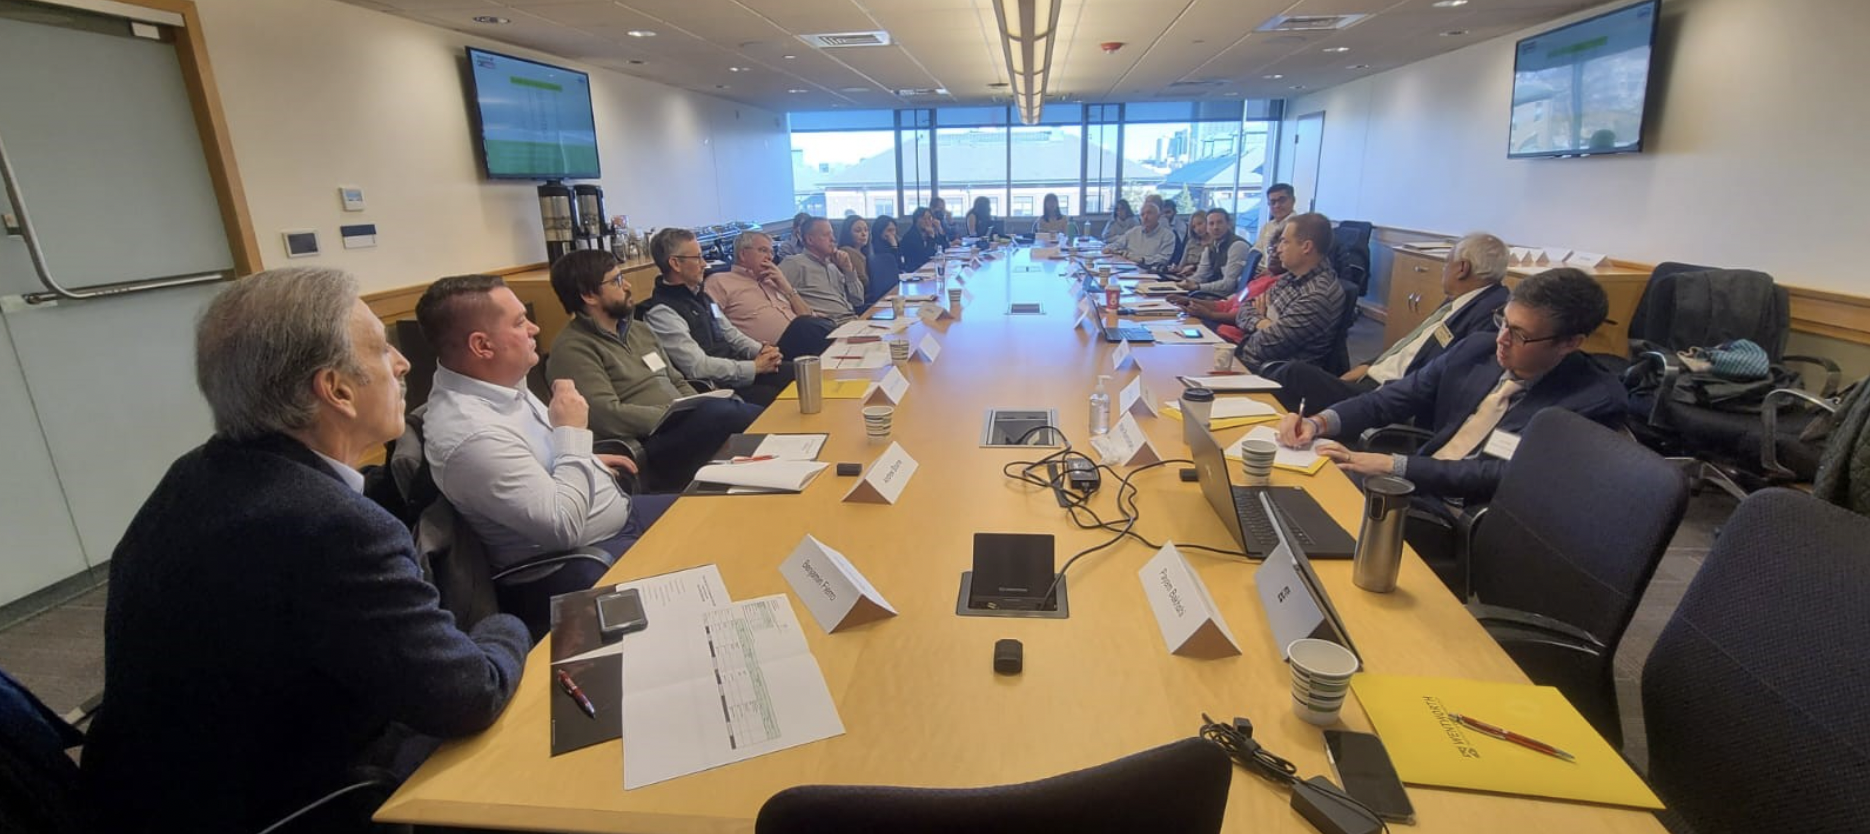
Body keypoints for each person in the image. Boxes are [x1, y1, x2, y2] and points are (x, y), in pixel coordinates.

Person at [80, 267, 529, 833]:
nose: (402, 362)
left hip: (150, 793)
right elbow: (469, 694)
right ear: (336, 389)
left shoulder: (197, 474)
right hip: (280, 805)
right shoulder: (327, 526)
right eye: (380, 349)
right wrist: (508, 622)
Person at [417, 273, 675, 631]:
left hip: (615, 517)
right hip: (580, 560)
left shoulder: (498, 379)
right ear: (482, 346)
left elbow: (531, 458)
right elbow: (562, 527)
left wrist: (586, 458)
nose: (535, 329)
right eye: (521, 322)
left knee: (722, 515)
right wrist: (572, 432)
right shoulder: (471, 435)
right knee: (715, 572)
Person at [1277, 267, 1624, 505]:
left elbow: (1496, 475)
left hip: (1463, 514)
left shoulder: (1588, 402)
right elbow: (1392, 399)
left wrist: (1391, 465)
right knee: (1300, 481)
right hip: (1420, 485)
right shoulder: (1478, 349)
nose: (1501, 339)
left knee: (1322, 496)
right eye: (1504, 321)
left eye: (1520, 334)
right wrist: (1317, 423)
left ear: (1569, 343)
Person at [546, 250, 763, 491]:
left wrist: (696, 403)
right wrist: (673, 413)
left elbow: (676, 379)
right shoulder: (573, 350)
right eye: (616, 281)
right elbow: (606, 415)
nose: (627, 285)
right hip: (648, 443)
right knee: (726, 414)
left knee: (726, 407)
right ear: (588, 295)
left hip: (686, 421)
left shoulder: (639, 330)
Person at [1264, 232, 1512, 412]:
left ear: (1462, 269)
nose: (1443, 270)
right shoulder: (1460, 302)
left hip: (1388, 394)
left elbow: (1440, 374)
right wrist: (1370, 365)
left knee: (1291, 373)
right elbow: (1411, 345)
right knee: (1281, 372)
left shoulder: (1487, 315)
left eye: (1447, 263)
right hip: (1373, 375)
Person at [640, 228, 792, 406]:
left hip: (739, 370)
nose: (704, 264)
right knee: (781, 399)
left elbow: (731, 333)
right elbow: (697, 367)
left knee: (796, 373)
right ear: (675, 264)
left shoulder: (701, 296)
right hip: (718, 387)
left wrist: (761, 351)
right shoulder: (662, 312)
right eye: (697, 258)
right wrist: (754, 367)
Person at [1233, 212, 1347, 371]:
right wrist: (1265, 322)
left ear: (1306, 247)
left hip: (1271, 375)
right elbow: (1244, 309)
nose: (1278, 249)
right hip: (1251, 362)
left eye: (1285, 242)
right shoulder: (1290, 277)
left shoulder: (1318, 295)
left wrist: (1259, 321)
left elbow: (1262, 346)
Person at [706, 231, 835, 359]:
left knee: (820, 325)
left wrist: (786, 287)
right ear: (743, 254)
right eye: (763, 250)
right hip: (771, 351)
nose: (769, 257)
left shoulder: (773, 281)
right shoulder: (719, 281)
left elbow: (807, 315)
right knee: (807, 327)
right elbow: (713, 324)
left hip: (804, 338)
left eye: (771, 252)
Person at [779, 216, 865, 323]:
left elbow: (858, 300)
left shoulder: (833, 266)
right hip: (827, 327)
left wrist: (848, 269)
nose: (833, 239)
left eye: (832, 234)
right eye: (826, 235)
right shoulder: (795, 263)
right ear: (810, 239)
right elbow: (776, 299)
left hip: (851, 320)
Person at [1180, 207, 1253, 294]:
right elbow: (1200, 275)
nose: (1215, 227)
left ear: (1228, 224)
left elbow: (1229, 285)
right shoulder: (1211, 247)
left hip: (1231, 298)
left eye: (1220, 222)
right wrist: (1177, 284)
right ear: (1207, 227)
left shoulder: (1238, 246)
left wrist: (1198, 287)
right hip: (1216, 294)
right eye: (1211, 223)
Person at [1101, 200, 1176, 269]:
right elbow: (1117, 244)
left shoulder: (1168, 235)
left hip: (1150, 272)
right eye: (1142, 214)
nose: (1145, 217)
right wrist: (1109, 248)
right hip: (1128, 269)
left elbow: (1163, 259)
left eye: (1149, 213)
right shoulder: (1134, 231)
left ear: (1158, 216)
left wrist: (1141, 260)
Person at [1253, 183, 1298, 278]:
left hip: (1282, 276)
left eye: (1282, 200)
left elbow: (1297, 260)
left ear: (1293, 201)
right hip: (1261, 274)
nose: (1277, 205)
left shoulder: (1299, 226)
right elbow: (1256, 252)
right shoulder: (1267, 226)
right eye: (1272, 202)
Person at [864, 214, 903, 307]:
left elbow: (901, 264)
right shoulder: (874, 247)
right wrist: (894, 246)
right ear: (880, 231)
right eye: (889, 230)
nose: (892, 234)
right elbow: (896, 264)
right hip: (882, 292)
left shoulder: (895, 241)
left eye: (894, 230)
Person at [899, 206, 944, 272]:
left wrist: (940, 229)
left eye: (929, 218)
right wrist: (932, 238)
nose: (927, 221)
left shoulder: (927, 233)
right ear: (916, 220)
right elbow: (926, 258)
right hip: (915, 272)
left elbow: (944, 248)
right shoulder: (910, 237)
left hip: (927, 270)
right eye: (923, 218)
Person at [837, 214, 872, 298]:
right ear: (847, 233)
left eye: (866, 230)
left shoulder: (866, 252)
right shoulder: (846, 251)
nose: (864, 234)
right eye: (858, 231)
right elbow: (864, 281)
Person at [1170, 206, 1206, 276]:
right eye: (1194, 227)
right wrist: (1175, 269)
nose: (1197, 229)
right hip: (1185, 277)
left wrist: (1193, 271)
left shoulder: (1215, 244)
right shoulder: (1191, 243)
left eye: (1200, 224)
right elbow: (1181, 266)